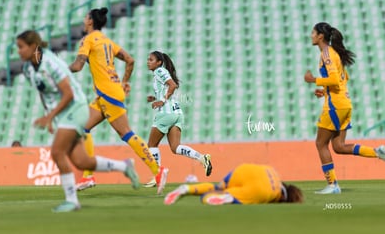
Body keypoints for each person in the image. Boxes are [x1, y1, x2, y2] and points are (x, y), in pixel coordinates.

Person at [17, 30, 140, 212]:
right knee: (82, 162)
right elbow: (44, 93)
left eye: (21, 47)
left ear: (33, 46)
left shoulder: (50, 63)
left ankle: (72, 200)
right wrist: (50, 116)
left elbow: (68, 93)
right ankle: (124, 166)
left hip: (76, 108)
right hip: (62, 113)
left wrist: (50, 117)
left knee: (58, 152)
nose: (18, 51)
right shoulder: (27, 69)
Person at [69, 7, 168, 194]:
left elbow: (78, 65)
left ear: (90, 21)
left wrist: (60, 70)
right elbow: (130, 60)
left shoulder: (88, 40)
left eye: (85, 17)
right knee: (82, 128)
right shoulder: (107, 41)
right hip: (109, 92)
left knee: (127, 134)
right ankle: (88, 176)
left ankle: (158, 170)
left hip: (108, 93)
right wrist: (124, 82)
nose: (83, 20)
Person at [304, 22, 385, 194]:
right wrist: (325, 92)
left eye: (313, 32)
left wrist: (313, 80)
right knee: (339, 146)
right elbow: (343, 79)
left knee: (320, 143)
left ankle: (332, 185)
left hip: (335, 106)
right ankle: (378, 152)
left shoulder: (326, 53)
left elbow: (334, 80)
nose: (311, 35)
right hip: (344, 104)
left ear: (320, 36)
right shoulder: (335, 53)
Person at [144, 51, 212, 188]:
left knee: (151, 145)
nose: (148, 62)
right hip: (177, 113)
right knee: (175, 147)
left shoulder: (159, 71)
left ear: (159, 62)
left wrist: (162, 101)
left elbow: (172, 85)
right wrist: (156, 98)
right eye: (148, 59)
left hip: (166, 113)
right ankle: (202, 158)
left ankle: (158, 175)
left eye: (151, 59)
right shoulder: (161, 72)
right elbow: (168, 88)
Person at [164, 163, 303, 205]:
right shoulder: (275, 194)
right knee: (212, 197)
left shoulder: (274, 172)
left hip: (243, 170)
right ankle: (226, 198)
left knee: (218, 187)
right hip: (259, 190)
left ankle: (187, 188)